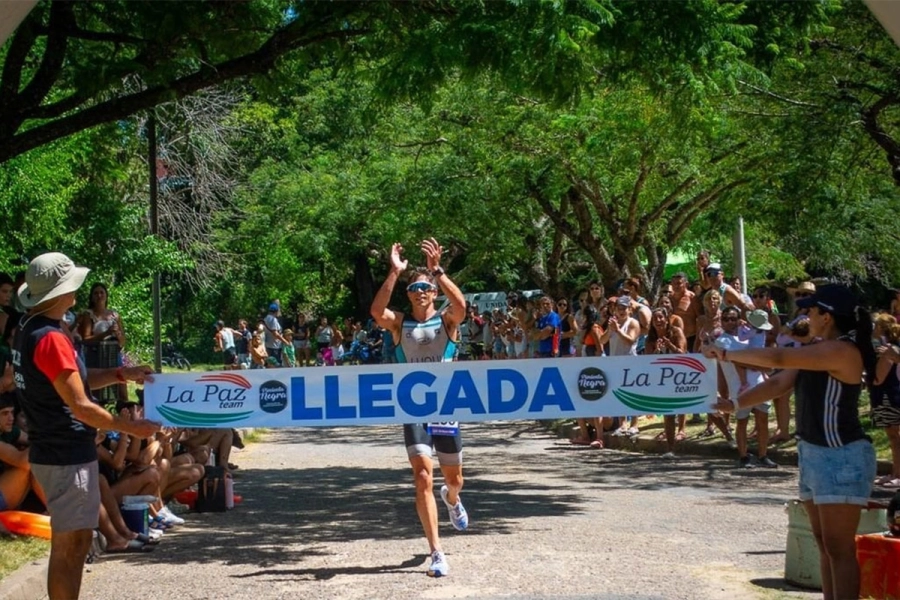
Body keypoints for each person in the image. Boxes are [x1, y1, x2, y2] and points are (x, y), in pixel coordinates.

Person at [706, 284, 876, 600]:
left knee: (839, 549)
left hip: (840, 454)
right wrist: (735, 404)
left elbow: (779, 357)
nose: (804, 314)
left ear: (826, 316)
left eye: (810, 310)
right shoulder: (816, 348)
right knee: (825, 546)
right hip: (814, 453)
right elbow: (779, 383)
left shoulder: (840, 350)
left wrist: (727, 353)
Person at [12, 252, 160, 600]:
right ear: (61, 292)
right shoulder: (50, 337)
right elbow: (80, 405)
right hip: (65, 455)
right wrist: (132, 429)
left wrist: (122, 372)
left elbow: (74, 380)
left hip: (55, 453)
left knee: (76, 541)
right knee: (71, 545)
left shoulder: (31, 329)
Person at [370, 238, 468, 578]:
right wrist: (395, 272)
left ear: (433, 291)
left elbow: (462, 307)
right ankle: (436, 551)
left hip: (446, 408)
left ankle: (452, 499)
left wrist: (438, 271)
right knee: (422, 476)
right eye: (414, 288)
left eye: (424, 286)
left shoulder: (445, 322)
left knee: (454, 479)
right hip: (413, 410)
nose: (419, 291)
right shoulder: (399, 323)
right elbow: (376, 313)